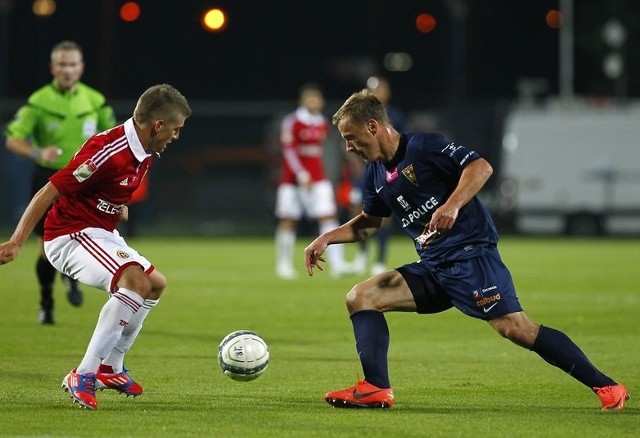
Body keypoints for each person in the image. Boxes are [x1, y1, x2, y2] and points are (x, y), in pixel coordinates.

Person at [304, 89, 629, 410]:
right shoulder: (376, 173)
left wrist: (453, 205)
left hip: (471, 257)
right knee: (361, 297)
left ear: (373, 126)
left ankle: (608, 386)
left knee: (516, 328)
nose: (348, 146)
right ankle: (376, 388)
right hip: (434, 267)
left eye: (351, 136)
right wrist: (326, 238)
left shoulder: (424, 146)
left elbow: (481, 167)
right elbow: (370, 223)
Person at [0, 84, 192, 410]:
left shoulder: (144, 149)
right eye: (175, 129)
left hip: (97, 231)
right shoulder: (109, 150)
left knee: (155, 284)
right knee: (136, 282)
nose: (175, 136)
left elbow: (105, 190)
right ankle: (84, 373)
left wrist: (117, 205)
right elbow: (49, 192)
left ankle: (110, 367)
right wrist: (17, 242)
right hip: (68, 235)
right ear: (158, 125)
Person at [4, 40, 117, 324]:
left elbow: (115, 137)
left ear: (81, 68)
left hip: (87, 183)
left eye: (73, 64)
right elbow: (13, 139)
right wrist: (37, 151)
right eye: (63, 64)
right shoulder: (39, 101)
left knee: (88, 237)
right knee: (47, 247)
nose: (68, 70)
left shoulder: (94, 100)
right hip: (49, 181)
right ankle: (46, 302)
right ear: (54, 67)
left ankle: (72, 277)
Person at [274, 82, 350, 279]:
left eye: (317, 98)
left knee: (328, 217)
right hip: (292, 180)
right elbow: (289, 150)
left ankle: (338, 264)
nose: (314, 102)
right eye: (310, 98)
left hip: (318, 178)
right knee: (288, 220)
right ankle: (283, 265)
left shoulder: (322, 122)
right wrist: (300, 173)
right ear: (303, 100)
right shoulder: (293, 121)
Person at [342, 76, 406, 276]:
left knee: (384, 214)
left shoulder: (395, 115)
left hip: (385, 171)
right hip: (363, 172)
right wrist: (355, 164)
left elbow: (402, 142)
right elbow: (347, 141)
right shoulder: (357, 115)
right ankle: (362, 256)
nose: (377, 93)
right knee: (356, 210)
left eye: (380, 89)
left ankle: (379, 260)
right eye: (373, 90)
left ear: (388, 93)